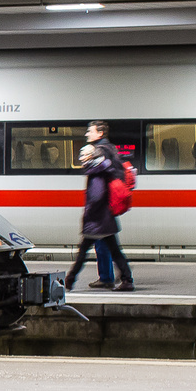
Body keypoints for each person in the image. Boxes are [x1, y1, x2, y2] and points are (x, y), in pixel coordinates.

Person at [62, 121, 134, 291]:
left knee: (84, 251)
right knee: (113, 250)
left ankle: (69, 280)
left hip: (98, 214)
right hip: (105, 213)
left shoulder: (100, 154)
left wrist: (90, 212)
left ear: (100, 133)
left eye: (90, 131)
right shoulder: (110, 149)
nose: (87, 134)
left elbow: (97, 191)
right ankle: (125, 279)